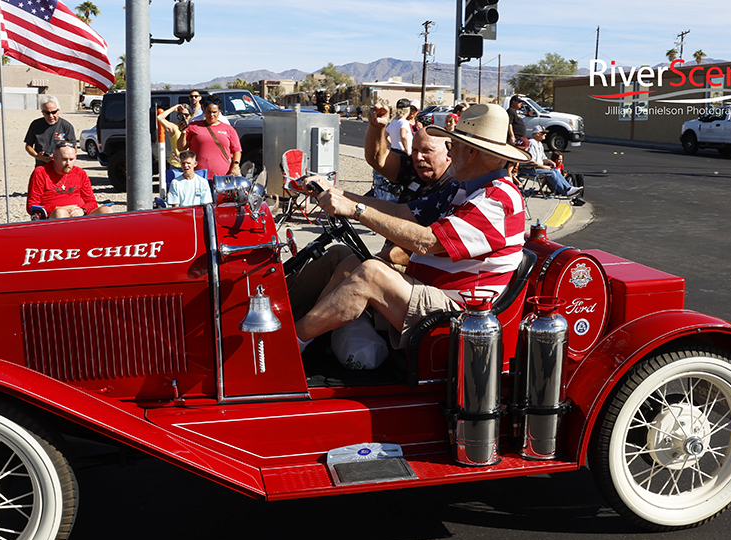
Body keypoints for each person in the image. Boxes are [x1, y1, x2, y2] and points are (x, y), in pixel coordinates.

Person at [293, 104, 531, 353]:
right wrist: (338, 195)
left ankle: (288, 346)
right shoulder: (466, 189)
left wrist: (355, 209)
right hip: (436, 295)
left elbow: (427, 242)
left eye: (454, 145)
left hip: (462, 314)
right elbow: (400, 212)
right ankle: (299, 332)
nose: (451, 152)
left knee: (370, 274)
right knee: (350, 259)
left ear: (471, 152)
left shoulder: (496, 198)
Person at [26, 143, 101, 219]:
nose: (68, 163)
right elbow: (32, 205)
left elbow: (92, 201)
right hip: (52, 215)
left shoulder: (80, 173)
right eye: (64, 159)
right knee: (61, 213)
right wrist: (59, 208)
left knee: (106, 210)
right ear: (55, 157)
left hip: (79, 213)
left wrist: (83, 210)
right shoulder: (41, 173)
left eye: (71, 159)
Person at [179, 96, 242, 179]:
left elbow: (237, 150)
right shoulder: (193, 126)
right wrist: (183, 132)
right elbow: (181, 147)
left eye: (214, 112)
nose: (211, 115)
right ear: (204, 110)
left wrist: (235, 165)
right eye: (208, 112)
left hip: (223, 177)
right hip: (199, 176)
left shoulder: (228, 129)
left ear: (219, 112)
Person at [525, 126, 582, 197]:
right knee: (551, 172)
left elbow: (543, 158)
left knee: (554, 171)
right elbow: (531, 162)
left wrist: (550, 161)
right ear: (537, 134)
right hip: (529, 169)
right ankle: (566, 191)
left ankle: (569, 188)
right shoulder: (532, 143)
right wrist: (545, 167)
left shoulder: (539, 144)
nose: (545, 135)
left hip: (537, 168)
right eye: (543, 133)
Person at [24, 96, 76, 167]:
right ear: (42, 112)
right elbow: (28, 146)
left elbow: (74, 148)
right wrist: (38, 156)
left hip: (60, 168)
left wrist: (59, 156)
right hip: (41, 167)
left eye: (54, 112)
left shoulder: (66, 126)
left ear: (58, 110)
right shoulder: (36, 125)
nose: (51, 116)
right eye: (47, 113)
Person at [156, 105, 186, 172]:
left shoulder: (194, 128)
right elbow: (160, 117)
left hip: (191, 165)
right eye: (182, 115)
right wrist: (173, 108)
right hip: (176, 165)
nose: (184, 117)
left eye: (186, 115)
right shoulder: (174, 128)